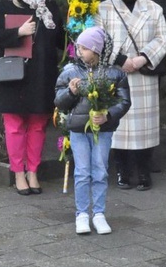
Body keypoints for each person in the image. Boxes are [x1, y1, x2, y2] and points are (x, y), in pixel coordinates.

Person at [0, 0, 64, 195]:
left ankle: (33, 171)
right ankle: (18, 172)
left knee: (39, 125)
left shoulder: (49, 4)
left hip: (42, 74)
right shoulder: (5, 3)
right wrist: (18, 33)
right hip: (15, 74)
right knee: (15, 126)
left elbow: (61, 38)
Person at [95, 0, 166, 191]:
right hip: (116, 75)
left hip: (143, 74)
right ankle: (123, 171)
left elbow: (163, 38)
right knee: (119, 127)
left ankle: (144, 172)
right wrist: (120, 60)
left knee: (144, 128)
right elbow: (97, 40)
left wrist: (142, 58)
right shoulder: (103, 9)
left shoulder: (153, 8)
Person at [55, 27, 131, 234]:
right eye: (78, 47)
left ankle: (99, 214)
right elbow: (59, 102)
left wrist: (108, 115)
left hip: (103, 130)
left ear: (96, 50)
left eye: (84, 47)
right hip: (78, 130)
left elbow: (124, 101)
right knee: (82, 172)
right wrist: (71, 92)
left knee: (100, 170)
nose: (79, 51)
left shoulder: (115, 73)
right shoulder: (70, 72)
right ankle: (81, 214)